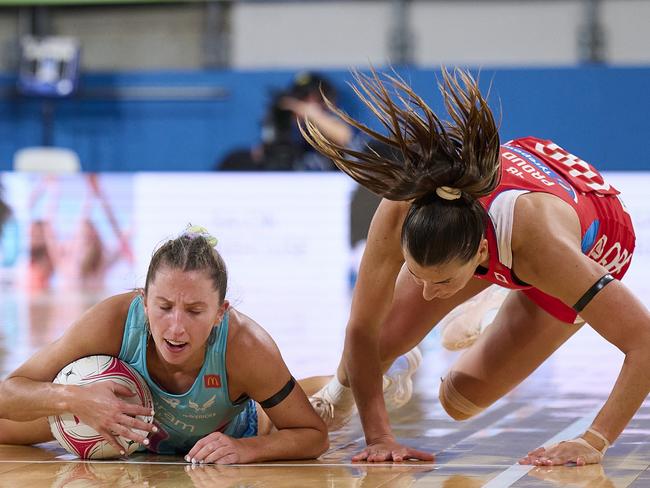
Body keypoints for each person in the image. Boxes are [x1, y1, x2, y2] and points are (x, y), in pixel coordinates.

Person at [301, 67, 648, 466]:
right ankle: (341, 390)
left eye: (443, 282)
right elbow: (361, 328)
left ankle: (502, 293)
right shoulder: (402, 209)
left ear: (482, 253)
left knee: (459, 401)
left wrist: (594, 440)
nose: (428, 293)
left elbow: (644, 342)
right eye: (417, 275)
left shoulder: (547, 253)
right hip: (507, 203)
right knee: (376, 344)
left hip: (592, 235)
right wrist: (379, 435)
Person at [0, 225, 328, 464]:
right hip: (124, 427)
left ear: (219, 313)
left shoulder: (245, 345)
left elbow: (313, 435)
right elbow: (7, 393)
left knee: (307, 407)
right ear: (144, 302)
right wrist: (75, 398)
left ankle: (328, 385)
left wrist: (247, 449)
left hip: (233, 429)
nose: (176, 327)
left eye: (195, 311)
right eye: (164, 306)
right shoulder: (113, 320)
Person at [218, 71, 354, 171]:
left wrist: (310, 114)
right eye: (302, 97)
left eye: (318, 99)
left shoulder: (334, 130)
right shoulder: (289, 131)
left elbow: (344, 138)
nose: (309, 104)